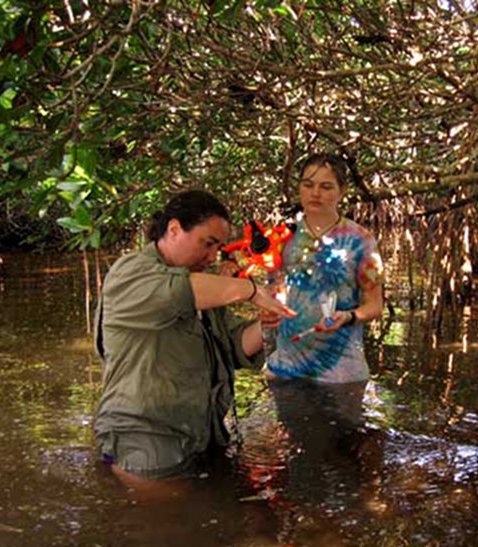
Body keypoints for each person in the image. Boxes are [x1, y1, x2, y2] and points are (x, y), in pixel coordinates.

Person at [94, 190, 296, 486]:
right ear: (174, 229)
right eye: (208, 243)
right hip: (145, 443)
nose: (213, 256)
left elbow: (234, 344)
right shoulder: (131, 273)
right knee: (174, 523)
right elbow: (180, 292)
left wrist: (271, 321)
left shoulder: (201, 284)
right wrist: (251, 291)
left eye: (219, 247)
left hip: (199, 436)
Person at [265, 152, 383, 384]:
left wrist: (348, 317)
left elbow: (375, 305)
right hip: (285, 368)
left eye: (326, 187)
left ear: (343, 191)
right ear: (299, 188)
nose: (315, 193)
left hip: (342, 374)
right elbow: (272, 292)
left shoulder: (362, 240)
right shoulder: (281, 238)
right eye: (308, 185)